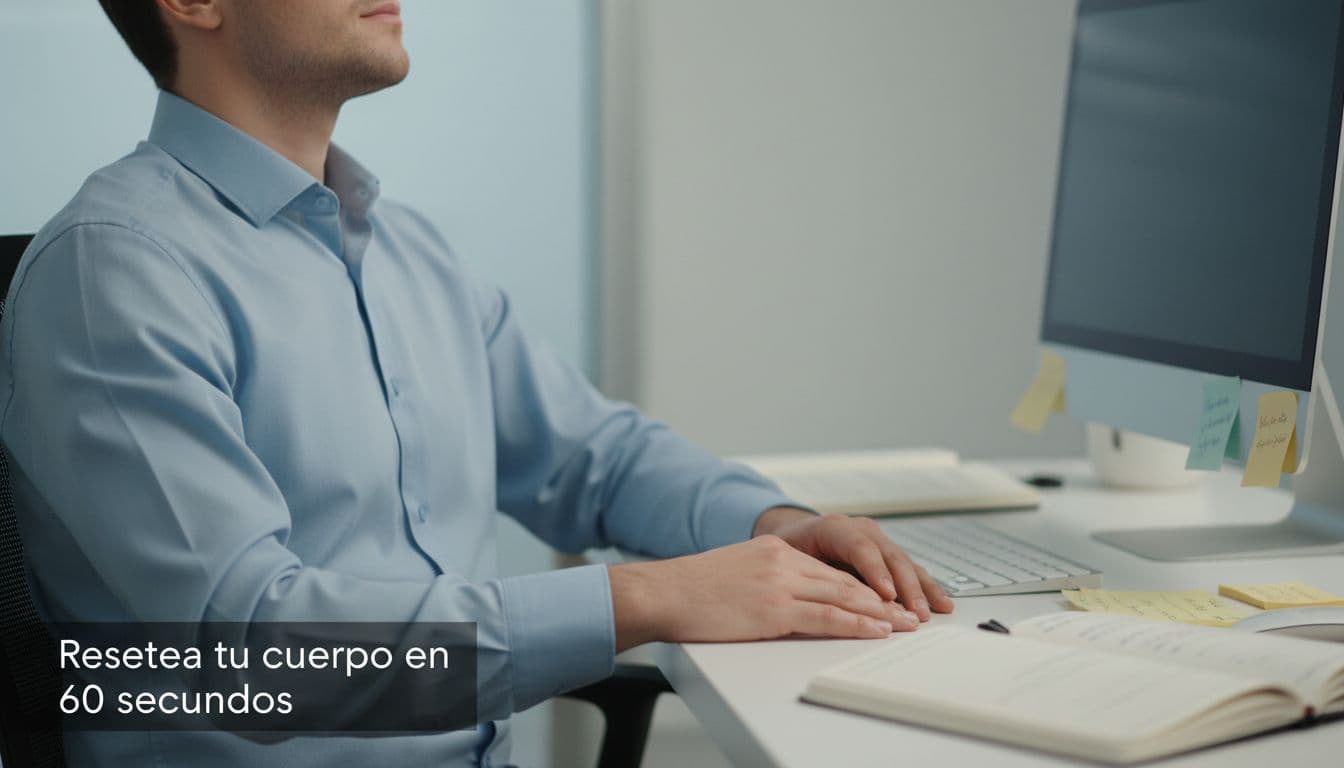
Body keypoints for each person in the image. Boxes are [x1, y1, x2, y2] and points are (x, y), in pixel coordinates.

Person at [0, 0, 952, 764]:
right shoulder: (114, 273)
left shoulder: (405, 248)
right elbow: (260, 650)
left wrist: (772, 526)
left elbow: (596, 459)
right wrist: (647, 600)